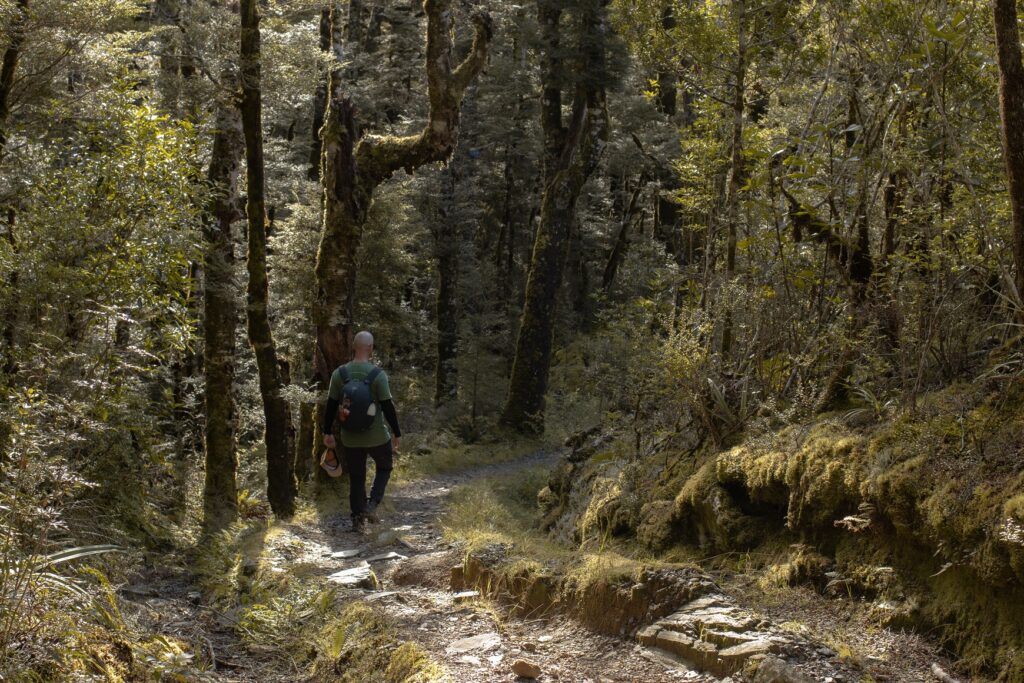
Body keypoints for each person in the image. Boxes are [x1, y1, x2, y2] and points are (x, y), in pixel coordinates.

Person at [322, 331, 402, 532]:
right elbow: (388, 406)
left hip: (350, 437)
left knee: (357, 476)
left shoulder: (339, 374)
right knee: (384, 466)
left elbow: (331, 406)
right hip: (377, 436)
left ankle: (357, 519)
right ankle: (372, 504)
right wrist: (396, 432)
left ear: (353, 347)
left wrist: (327, 432)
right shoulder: (377, 375)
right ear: (371, 348)